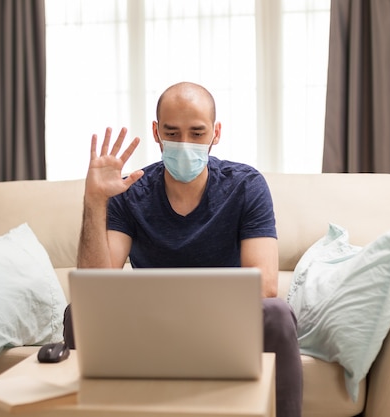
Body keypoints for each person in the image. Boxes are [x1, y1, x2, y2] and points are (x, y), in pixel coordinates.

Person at [66, 82, 302, 417]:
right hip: (146, 326)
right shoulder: (130, 191)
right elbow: (94, 284)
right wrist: (94, 201)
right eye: (172, 133)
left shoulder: (246, 185)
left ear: (216, 133)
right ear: (156, 132)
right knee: (77, 312)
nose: (184, 144)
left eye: (197, 132)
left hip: (225, 328)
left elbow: (264, 287)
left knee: (277, 314)